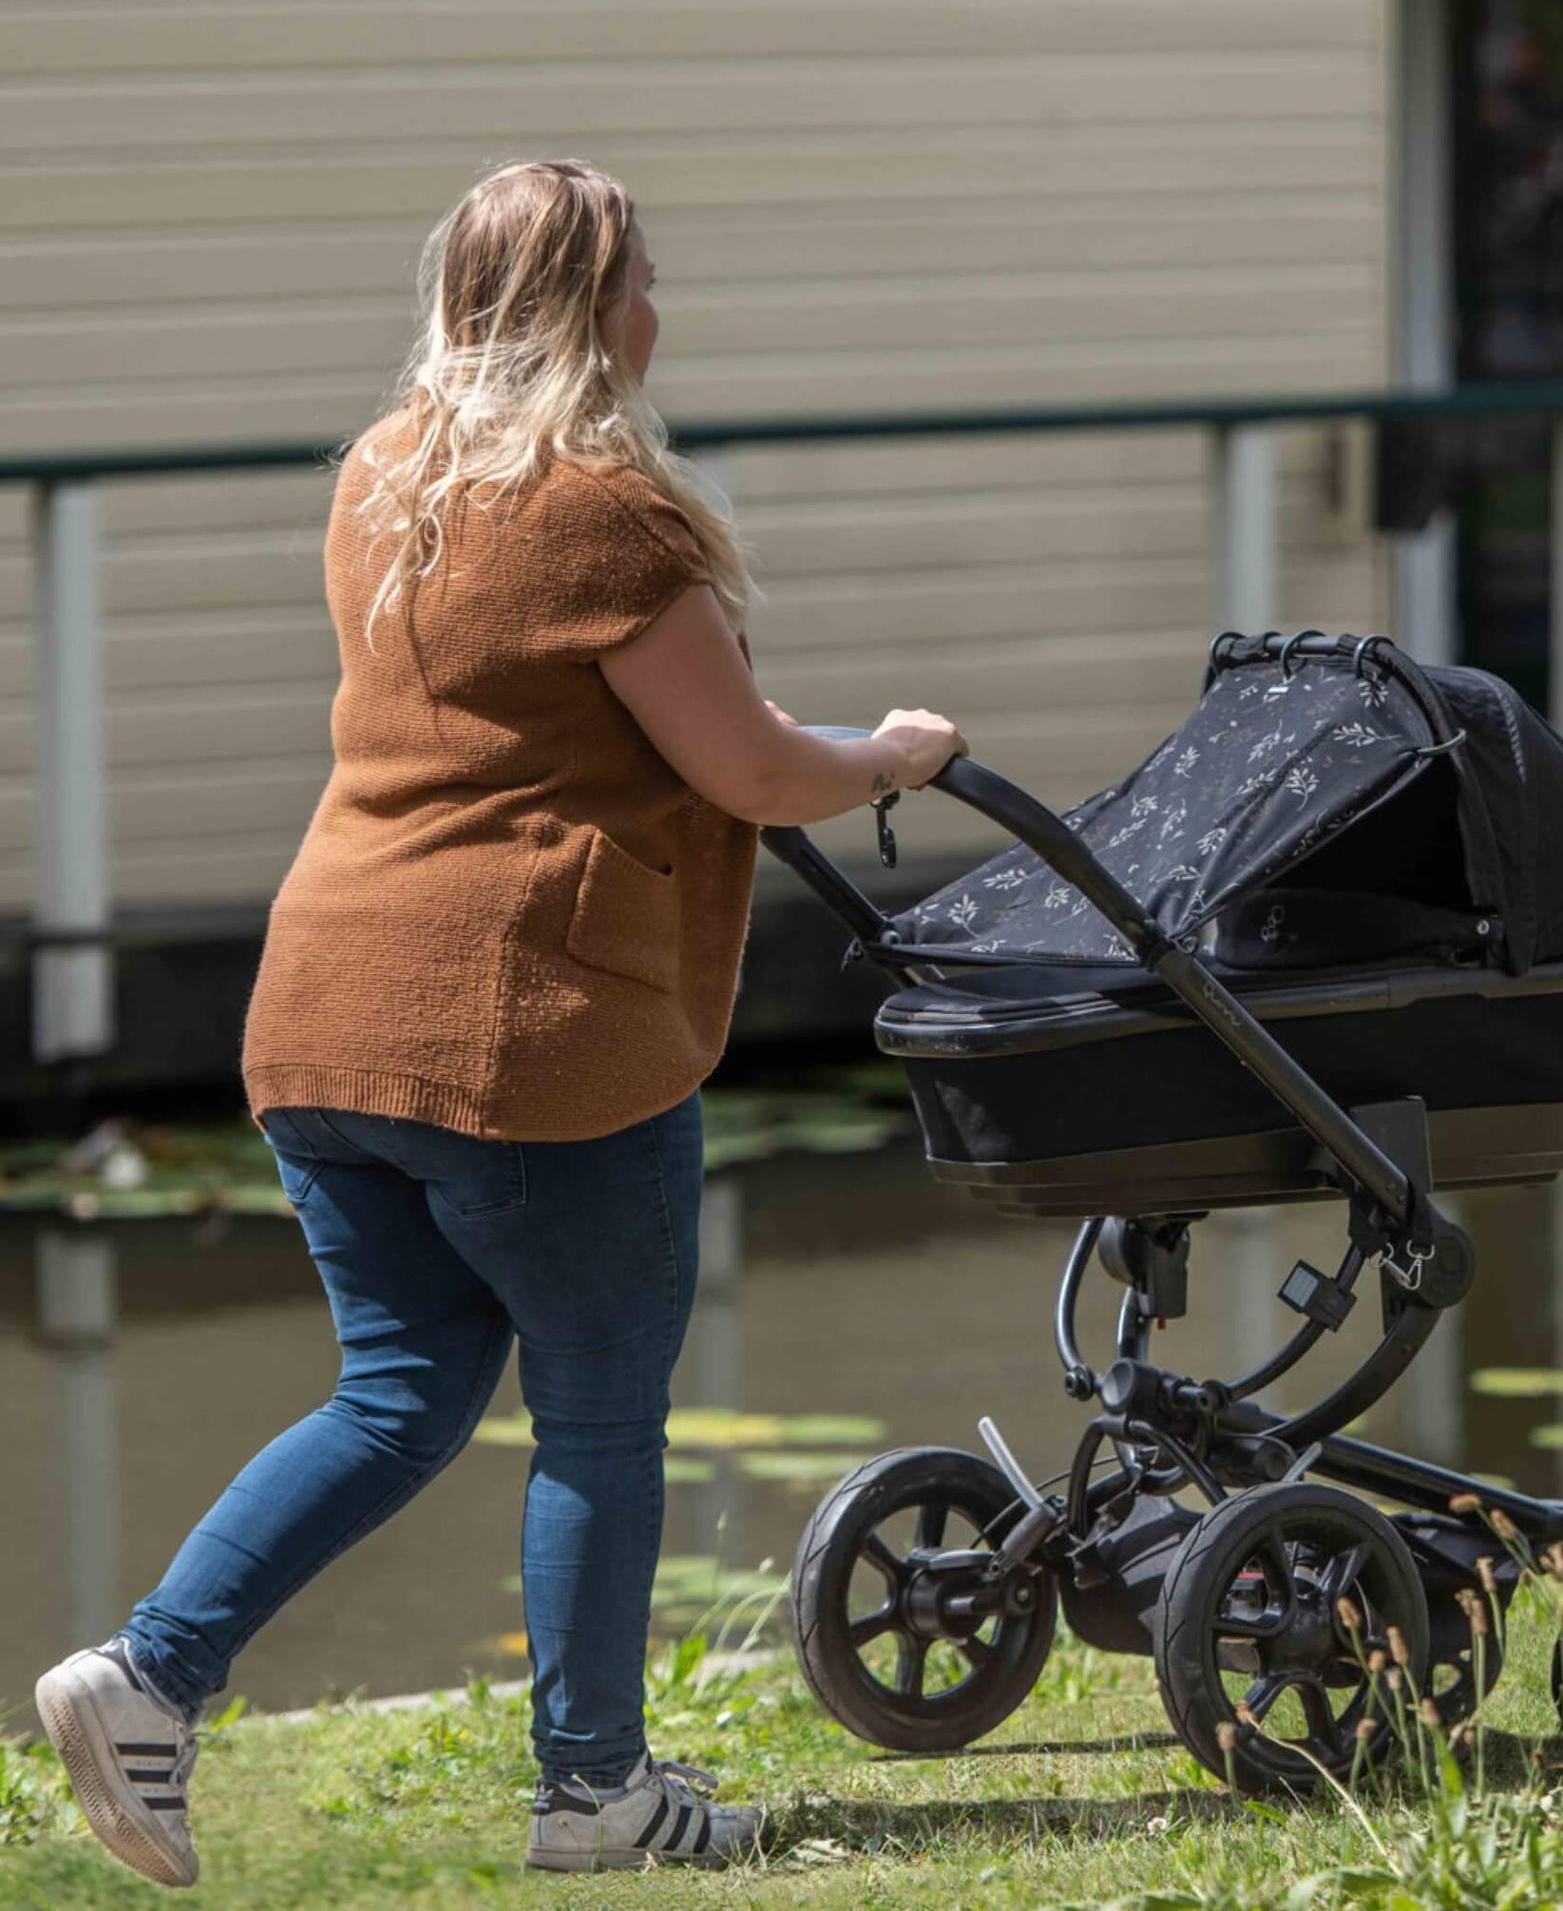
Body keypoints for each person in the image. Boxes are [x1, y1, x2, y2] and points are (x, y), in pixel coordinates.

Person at [33, 157, 965, 1888]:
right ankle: (594, 1791)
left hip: (323, 1015)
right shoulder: (604, 511)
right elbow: (751, 766)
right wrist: (893, 757)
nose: (658, 309)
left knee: (397, 1391)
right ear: (598, 302)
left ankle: (148, 1675)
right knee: (602, 1413)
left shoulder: (383, 480)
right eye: (643, 277)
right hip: (524, 1028)